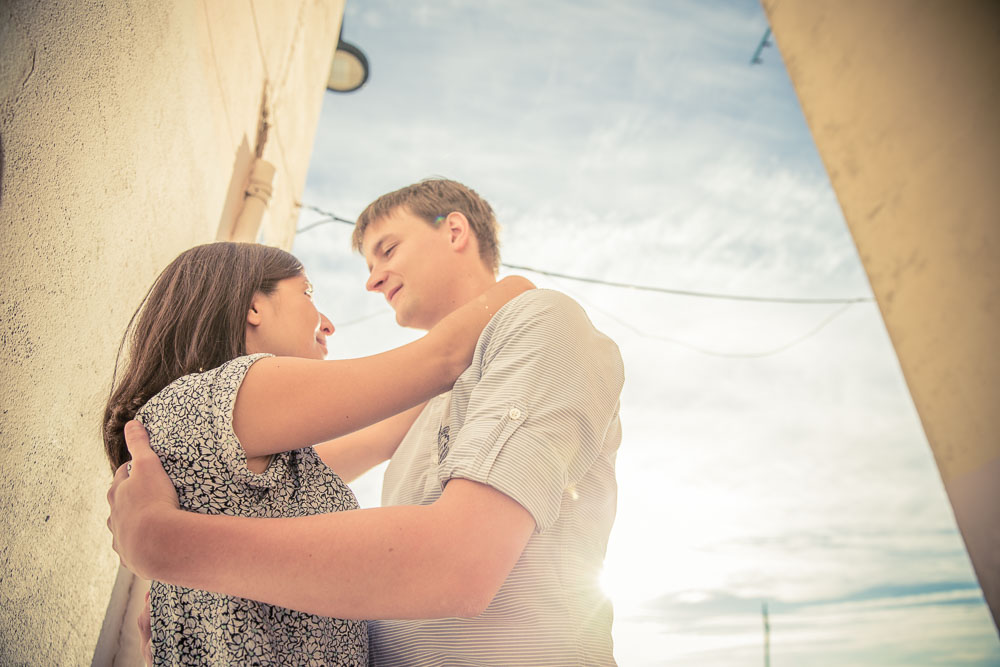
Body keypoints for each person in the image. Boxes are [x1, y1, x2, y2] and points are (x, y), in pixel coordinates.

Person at [108, 178, 625, 665]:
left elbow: (454, 564)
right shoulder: (406, 409)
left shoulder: (537, 324)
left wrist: (171, 549)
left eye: (388, 249)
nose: (372, 280)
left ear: (454, 231)